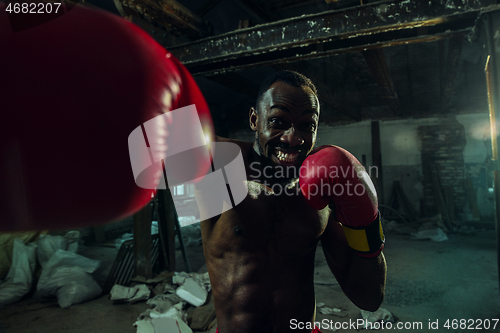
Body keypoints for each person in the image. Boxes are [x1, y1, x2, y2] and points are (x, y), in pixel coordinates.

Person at [198, 71, 387, 333]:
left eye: (307, 125)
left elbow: (369, 298)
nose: (292, 138)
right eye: (278, 121)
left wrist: (368, 223)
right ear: (255, 119)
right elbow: (141, 150)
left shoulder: (324, 195)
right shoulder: (217, 166)